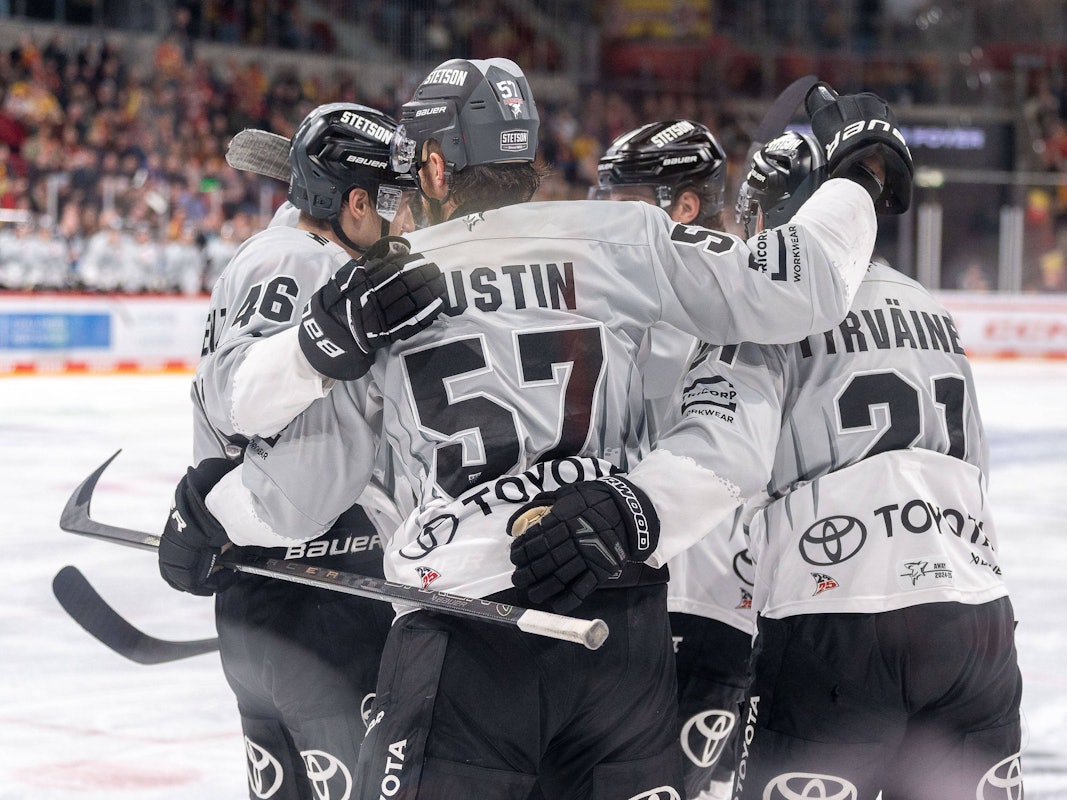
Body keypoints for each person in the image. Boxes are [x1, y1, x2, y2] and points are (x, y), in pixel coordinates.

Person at [158, 63, 910, 800]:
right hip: (620, 623)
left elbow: (301, 496)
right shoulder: (629, 235)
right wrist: (855, 174)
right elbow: (802, 283)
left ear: (431, 165)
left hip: (464, 635)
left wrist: (212, 520)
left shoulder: (389, 279)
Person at [536, 126, 1022, 799]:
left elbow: (725, 451)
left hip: (830, 610)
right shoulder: (928, 307)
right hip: (976, 612)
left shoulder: (764, 306)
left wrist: (626, 514)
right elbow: (973, 462)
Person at [158, 102, 447, 800]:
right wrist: (330, 338)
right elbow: (241, 394)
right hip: (317, 592)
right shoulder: (298, 258)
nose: (402, 218)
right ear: (353, 203)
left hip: (272, 590)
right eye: (390, 201)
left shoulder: (305, 255)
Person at [593, 119, 754, 800]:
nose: (602, 214)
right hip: (728, 595)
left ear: (680, 207)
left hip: (688, 592)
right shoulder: (755, 285)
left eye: (621, 197)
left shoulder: (669, 292)